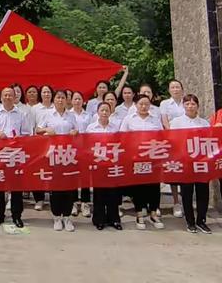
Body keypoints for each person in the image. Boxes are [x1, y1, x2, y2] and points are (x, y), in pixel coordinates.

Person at [0, 87, 29, 228]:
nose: (8, 97)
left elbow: (27, 133)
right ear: (1, 97)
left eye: (11, 95)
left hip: (15, 155)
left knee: (16, 187)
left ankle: (17, 216)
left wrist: (19, 137)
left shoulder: (21, 114)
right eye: (5, 95)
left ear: (15, 97)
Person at [119, 94, 164, 230]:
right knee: (139, 187)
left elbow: (162, 136)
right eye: (141, 104)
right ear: (136, 105)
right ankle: (139, 214)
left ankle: (154, 213)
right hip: (136, 158)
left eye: (146, 104)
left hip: (153, 158)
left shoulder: (155, 119)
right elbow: (122, 137)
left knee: (154, 187)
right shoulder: (129, 119)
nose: (144, 106)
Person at [36, 89, 78, 232]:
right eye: (58, 97)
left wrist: (75, 132)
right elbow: (37, 130)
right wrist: (47, 129)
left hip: (68, 155)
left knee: (68, 187)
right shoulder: (47, 115)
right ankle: (56, 217)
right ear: (54, 100)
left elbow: (76, 131)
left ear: (67, 100)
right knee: (55, 187)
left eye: (63, 97)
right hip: (52, 155)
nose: (60, 100)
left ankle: (67, 217)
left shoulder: (71, 116)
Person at [170, 94, 212, 234]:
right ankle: (190, 221)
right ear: (184, 106)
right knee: (187, 193)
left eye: (193, 104)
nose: (190, 106)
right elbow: (173, 142)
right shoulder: (176, 122)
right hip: (185, 163)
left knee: (203, 193)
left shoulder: (204, 123)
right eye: (187, 104)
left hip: (201, 163)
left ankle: (201, 220)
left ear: (197, 106)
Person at [86, 102, 122, 230]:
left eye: (107, 110)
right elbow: (88, 146)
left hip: (112, 163)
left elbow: (120, 144)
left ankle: (114, 219)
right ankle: (99, 219)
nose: (105, 113)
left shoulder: (115, 127)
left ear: (111, 112)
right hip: (98, 163)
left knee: (113, 192)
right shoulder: (91, 128)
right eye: (102, 110)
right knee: (99, 193)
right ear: (97, 112)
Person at [160, 79, 185, 218]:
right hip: (172, 141)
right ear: (169, 90)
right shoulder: (165, 104)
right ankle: (176, 202)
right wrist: (173, 136)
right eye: (172, 87)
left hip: (186, 141)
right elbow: (165, 122)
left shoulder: (187, 101)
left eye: (177, 87)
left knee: (185, 170)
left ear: (182, 89)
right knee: (174, 170)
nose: (175, 89)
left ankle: (185, 200)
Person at [69, 91, 91, 217]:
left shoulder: (88, 115)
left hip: (85, 149)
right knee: (72, 176)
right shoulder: (68, 114)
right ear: (71, 101)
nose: (77, 101)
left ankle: (85, 203)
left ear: (83, 101)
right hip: (71, 149)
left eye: (79, 99)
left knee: (85, 177)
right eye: (75, 99)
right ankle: (73, 203)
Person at [32, 85, 55, 211]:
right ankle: (39, 199)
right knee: (39, 171)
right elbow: (33, 127)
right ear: (41, 94)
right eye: (44, 92)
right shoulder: (35, 108)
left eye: (48, 92)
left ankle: (53, 197)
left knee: (53, 170)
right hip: (38, 144)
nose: (46, 94)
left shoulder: (55, 107)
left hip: (54, 144)